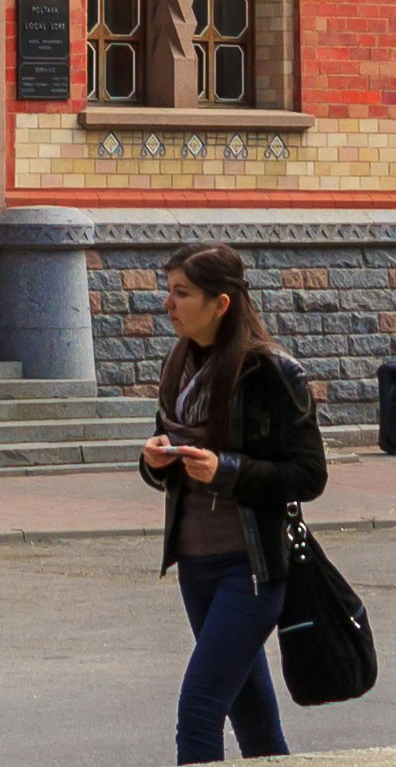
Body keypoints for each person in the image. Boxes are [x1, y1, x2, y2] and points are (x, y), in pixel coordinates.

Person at [136, 243, 328, 760]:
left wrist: (229, 471)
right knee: (254, 720)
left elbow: (309, 475)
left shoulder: (271, 373)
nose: (168, 303)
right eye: (169, 291)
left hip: (254, 567)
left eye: (182, 293)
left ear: (221, 303)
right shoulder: (179, 364)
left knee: (198, 709)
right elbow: (172, 464)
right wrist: (155, 462)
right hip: (195, 566)